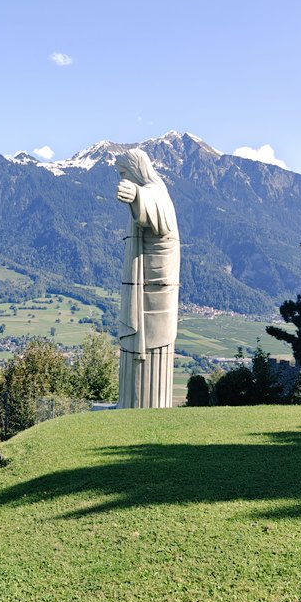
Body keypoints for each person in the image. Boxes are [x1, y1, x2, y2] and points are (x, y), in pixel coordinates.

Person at [116, 147, 180, 408]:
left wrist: (136, 195)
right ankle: (131, 404)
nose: (121, 179)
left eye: (123, 173)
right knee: (137, 349)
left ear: (136, 171)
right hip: (143, 284)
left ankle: (148, 407)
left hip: (155, 289)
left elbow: (159, 215)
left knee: (153, 349)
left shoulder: (156, 192)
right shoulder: (155, 191)